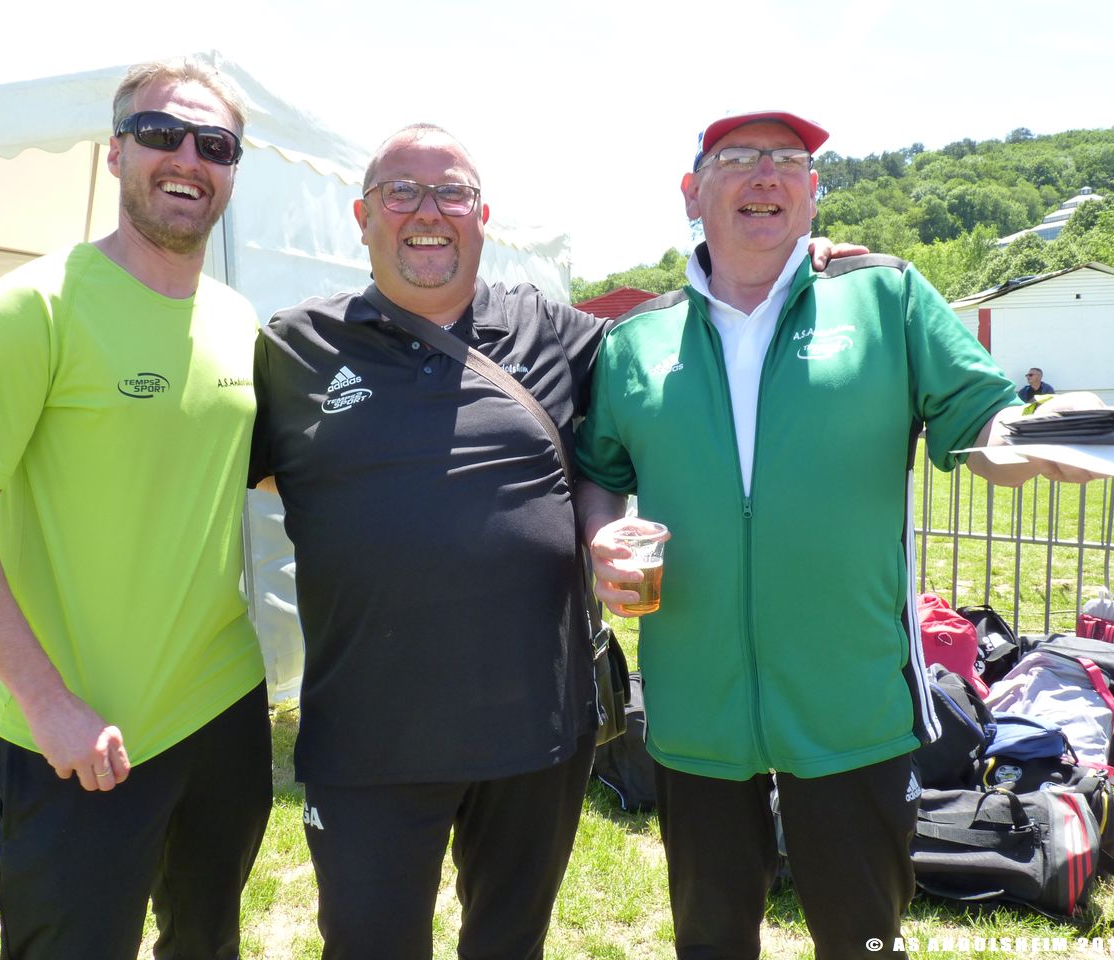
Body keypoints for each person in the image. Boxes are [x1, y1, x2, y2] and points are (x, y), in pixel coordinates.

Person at [248, 122, 854, 960]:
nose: (428, 211)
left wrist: (784, 264)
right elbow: (234, 479)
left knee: (510, 946)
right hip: (367, 735)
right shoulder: (295, 347)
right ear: (362, 216)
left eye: (452, 193)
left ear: (481, 216)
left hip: (536, 733)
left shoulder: (551, 332)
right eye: (402, 192)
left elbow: (690, 342)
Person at [572, 110, 1100, 960]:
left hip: (851, 704)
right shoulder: (636, 340)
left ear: (814, 193)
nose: (765, 175)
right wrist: (602, 536)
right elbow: (599, 469)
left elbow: (984, 420)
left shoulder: (887, 297)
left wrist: (1039, 439)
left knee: (863, 943)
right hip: (694, 710)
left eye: (788, 160)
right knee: (709, 942)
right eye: (739, 158)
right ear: (692, 193)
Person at [0, 57, 270, 960]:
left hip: (223, 709)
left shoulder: (240, 322)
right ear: (115, 153)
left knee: (207, 943)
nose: (188, 157)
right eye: (160, 133)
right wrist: (46, 702)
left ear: (232, 170)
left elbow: (275, 479)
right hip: (74, 736)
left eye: (215, 144)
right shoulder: (29, 310)